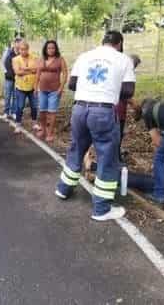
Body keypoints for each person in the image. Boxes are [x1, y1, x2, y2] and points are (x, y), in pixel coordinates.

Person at [55, 30, 135, 221]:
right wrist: (109, 87)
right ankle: (101, 209)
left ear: (103, 42)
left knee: (76, 149)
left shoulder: (85, 56)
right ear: (119, 43)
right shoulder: (123, 59)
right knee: (107, 156)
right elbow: (129, 90)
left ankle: (63, 189)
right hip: (103, 111)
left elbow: (72, 84)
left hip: (80, 109)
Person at [34, 40, 68, 142]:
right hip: (42, 90)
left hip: (54, 90)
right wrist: (35, 87)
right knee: (42, 111)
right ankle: (43, 130)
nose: (51, 50)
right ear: (45, 49)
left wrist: (61, 88)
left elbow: (65, 74)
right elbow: (37, 74)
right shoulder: (41, 59)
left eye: (53, 48)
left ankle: (50, 133)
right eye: (49, 48)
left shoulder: (60, 59)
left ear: (56, 49)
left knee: (52, 112)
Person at [12, 40, 40, 134]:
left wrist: (24, 69)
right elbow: (17, 72)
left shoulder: (34, 57)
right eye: (21, 49)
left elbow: (37, 70)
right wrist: (30, 70)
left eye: (25, 49)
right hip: (20, 87)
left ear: (28, 49)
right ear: (19, 50)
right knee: (20, 107)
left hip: (33, 87)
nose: (23, 51)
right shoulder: (15, 59)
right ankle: (18, 124)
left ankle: (34, 123)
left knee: (34, 106)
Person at [117, 54, 141, 161]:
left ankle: (116, 156)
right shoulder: (123, 73)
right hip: (116, 110)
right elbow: (124, 93)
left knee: (118, 136)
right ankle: (115, 160)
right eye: (134, 65)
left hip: (119, 110)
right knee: (116, 136)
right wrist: (135, 105)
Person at [1, 37, 22, 119]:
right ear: (14, 43)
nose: (18, 45)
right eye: (17, 43)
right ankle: (6, 112)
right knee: (7, 95)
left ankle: (13, 112)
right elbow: (2, 62)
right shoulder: (8, 51)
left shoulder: (21, 53)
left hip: (17, 78)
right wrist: (6, 72)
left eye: (20, 43)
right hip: (8, 78)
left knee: (15, 96)